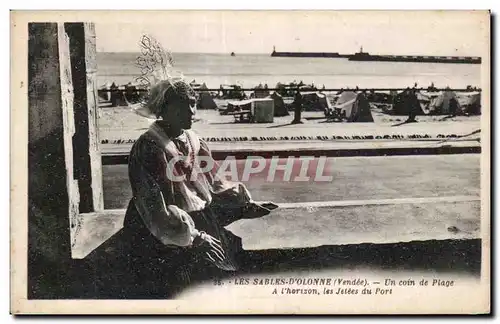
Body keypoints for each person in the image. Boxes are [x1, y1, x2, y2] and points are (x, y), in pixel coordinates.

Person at [123, 79, 275, 287]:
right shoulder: (149, 147)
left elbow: (214, 180)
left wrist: (243, 204)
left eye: (193, 103)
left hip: (193, 217)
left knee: (228, 262)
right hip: (158, 226)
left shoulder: (193, 140)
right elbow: (152, 206)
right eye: (182, 105)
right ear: (163, 108)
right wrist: (194, 237)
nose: (191, 111)